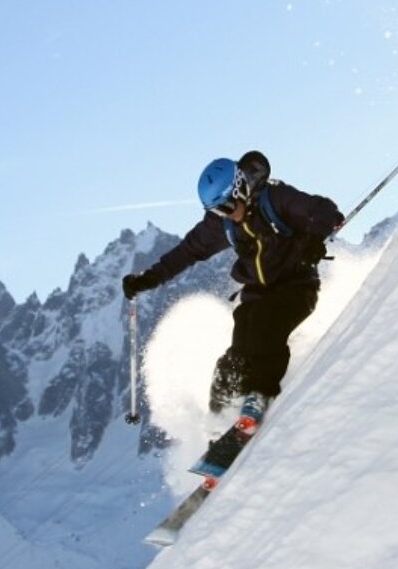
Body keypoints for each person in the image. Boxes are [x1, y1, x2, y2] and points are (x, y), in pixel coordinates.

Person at [122, 151, 343, 419]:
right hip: (256, 295)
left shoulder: (275, 198)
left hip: (296, 286)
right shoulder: (222, 223)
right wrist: (148, 279)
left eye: (226, 207)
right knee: (234, 359)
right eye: (216, 210)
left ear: (239, 188)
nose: (224, 215)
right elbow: (188, 251)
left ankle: (259, 398)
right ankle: (218, 421)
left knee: (264, 329)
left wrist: (313, 240)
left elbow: (324, 211)